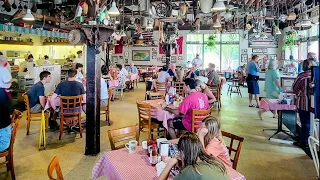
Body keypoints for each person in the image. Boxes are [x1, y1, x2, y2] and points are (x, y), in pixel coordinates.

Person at [158, 132, 227, 180]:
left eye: (179, 152)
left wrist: (170, 164)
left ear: (182, 152)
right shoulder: (214, 162)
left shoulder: (190, 171)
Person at [292, 59, 317, 148]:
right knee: (313, 122)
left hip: (304, 102)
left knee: (305, 122)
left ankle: (304, 141)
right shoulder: (316, 76)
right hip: (316, 103)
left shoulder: (302, 76)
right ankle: (311, 140)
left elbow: (294, 88)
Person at [0, 55, 16, 151]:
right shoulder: (2, 69)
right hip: (2, 92)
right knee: (5, 112)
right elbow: (6, 81)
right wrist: (13, 79)